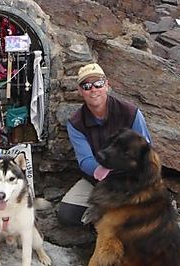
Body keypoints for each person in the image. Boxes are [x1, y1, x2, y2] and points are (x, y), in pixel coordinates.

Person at [58, 63, 151, 227]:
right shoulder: (75, 123)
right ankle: (104, 221)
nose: (93, 89)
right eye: (86, 86)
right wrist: (103, 174)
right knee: (67, 214)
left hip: (131, 177)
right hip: (97, 178)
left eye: (98, 84)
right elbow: (85, 160)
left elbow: (145, 151)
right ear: (80, 91)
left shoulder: (131, 113)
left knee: (141, 213)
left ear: (107, 85)